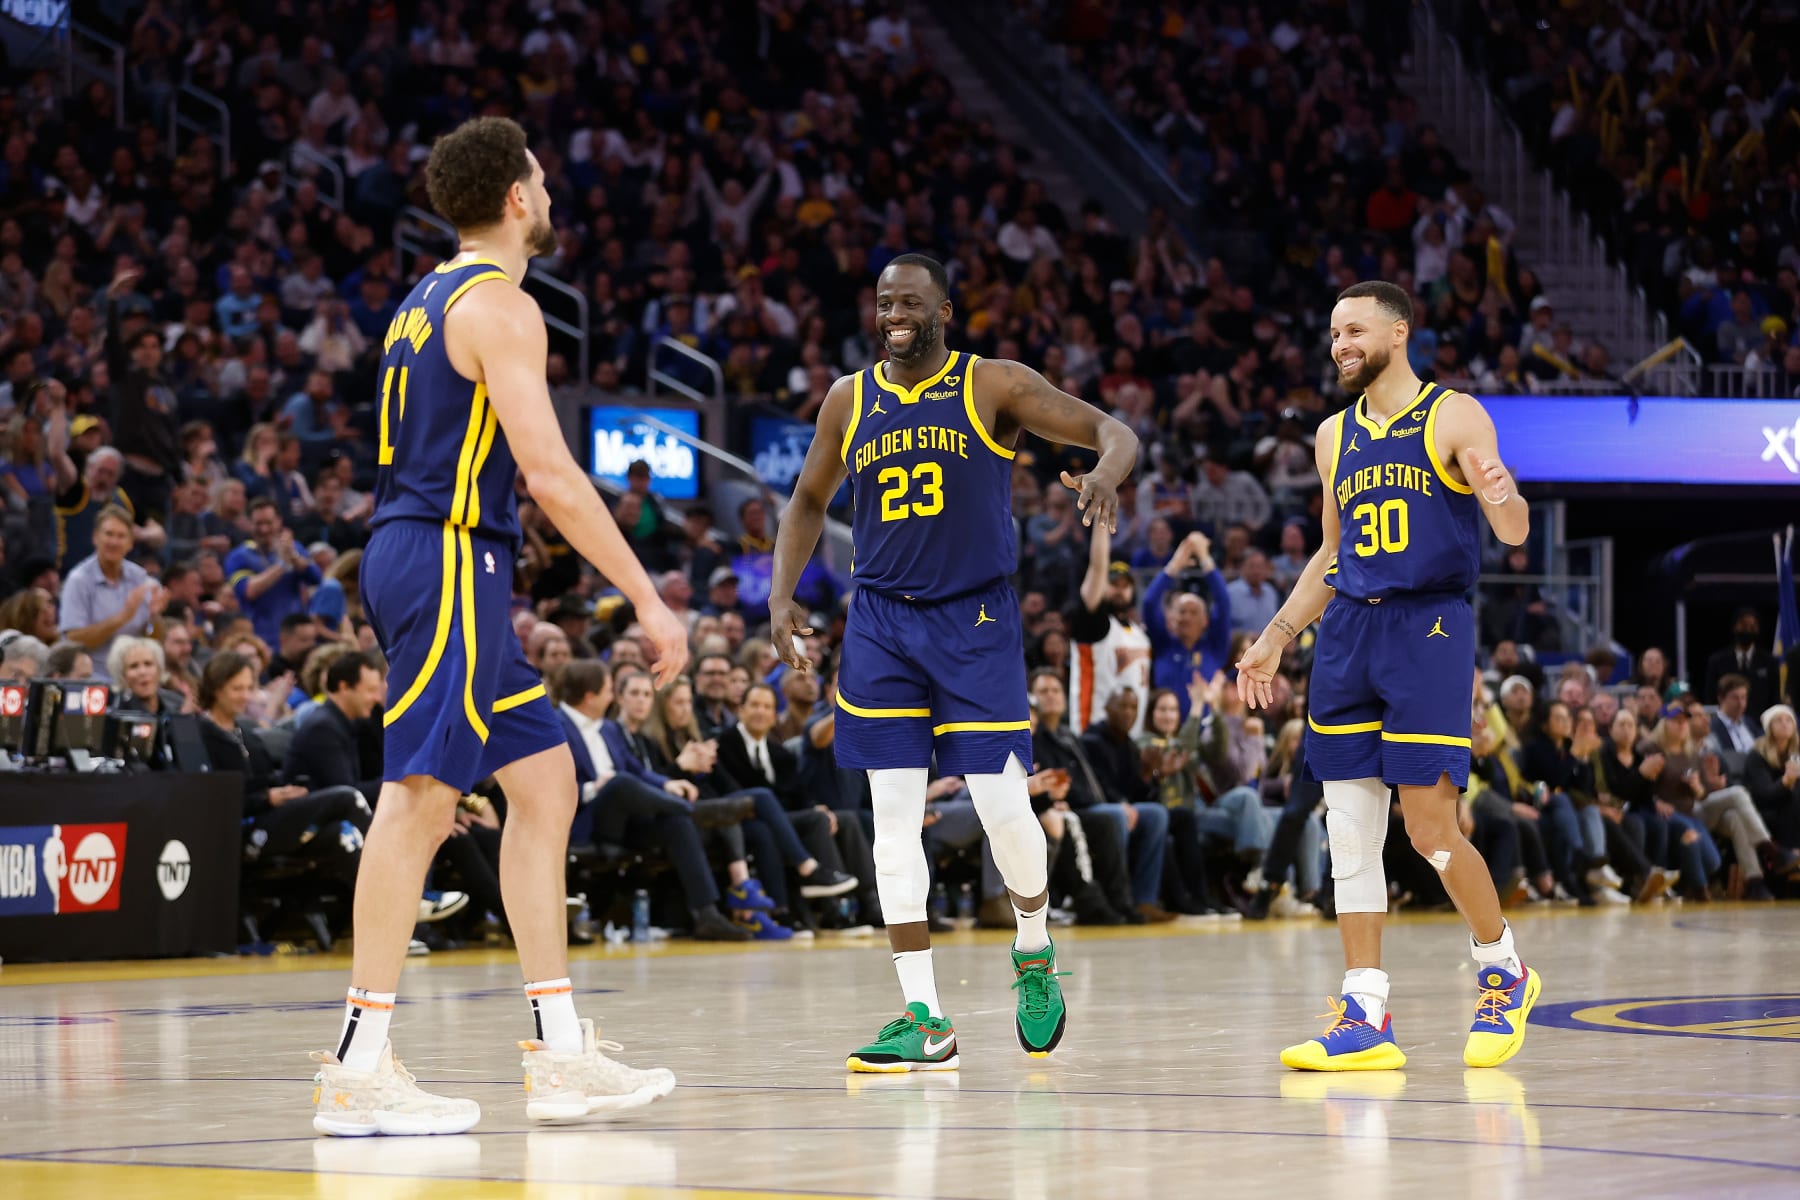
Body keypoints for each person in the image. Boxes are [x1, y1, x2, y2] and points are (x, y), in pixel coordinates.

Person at [311, 117, 689, 1136]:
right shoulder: (503, 308)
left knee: (546, 776)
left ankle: (561, 1053)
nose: (552, 193)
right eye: (543, 179)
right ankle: (357, 1063)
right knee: (421, 800)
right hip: (445, 555)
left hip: (432, 555)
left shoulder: (421, 300)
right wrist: (650, 598)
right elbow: (554, 477)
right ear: (518, 198)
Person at [769, 253, 1138, 1070]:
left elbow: (1114, 430)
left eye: (910, 300)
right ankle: (924, 1017)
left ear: (945, 309)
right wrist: (780, 594)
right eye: (883, 301)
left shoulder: (994, 384)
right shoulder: (847, 398)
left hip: (973, 623)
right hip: (878, 625)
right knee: (893, 823)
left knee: (1006, 807)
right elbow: (805, 502)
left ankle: (1034, 952)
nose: (893, 311)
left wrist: (1107, 473)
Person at [1236, 280, 1539, 1073]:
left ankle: (1502, 967)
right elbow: (1330, 556)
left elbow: (1511, 530)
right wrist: (1277, 633)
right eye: (1334, 333)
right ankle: (1364, 1009)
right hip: (1347, 632)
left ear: (1398, 334)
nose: (1340, 345)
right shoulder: (1333, 434)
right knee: (1349, 831)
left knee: (1430, 830)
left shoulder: (1454, 414)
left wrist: (1504, 496)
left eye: (1355, 331)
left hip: (1428, 626)